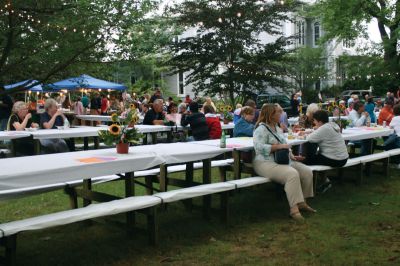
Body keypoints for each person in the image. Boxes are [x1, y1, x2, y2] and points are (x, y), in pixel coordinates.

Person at [253, 103, 315, 221]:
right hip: (264, 162)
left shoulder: (277, 128)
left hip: (282, 161)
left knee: (306, 171)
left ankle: (302, 202)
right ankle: (294, 209)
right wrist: (277, 147)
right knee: (291, 174)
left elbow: (285, 146)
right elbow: (258, 148)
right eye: (278, 112)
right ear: (270, 114)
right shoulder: (260, 129)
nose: (281, 114)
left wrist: (292, 156)